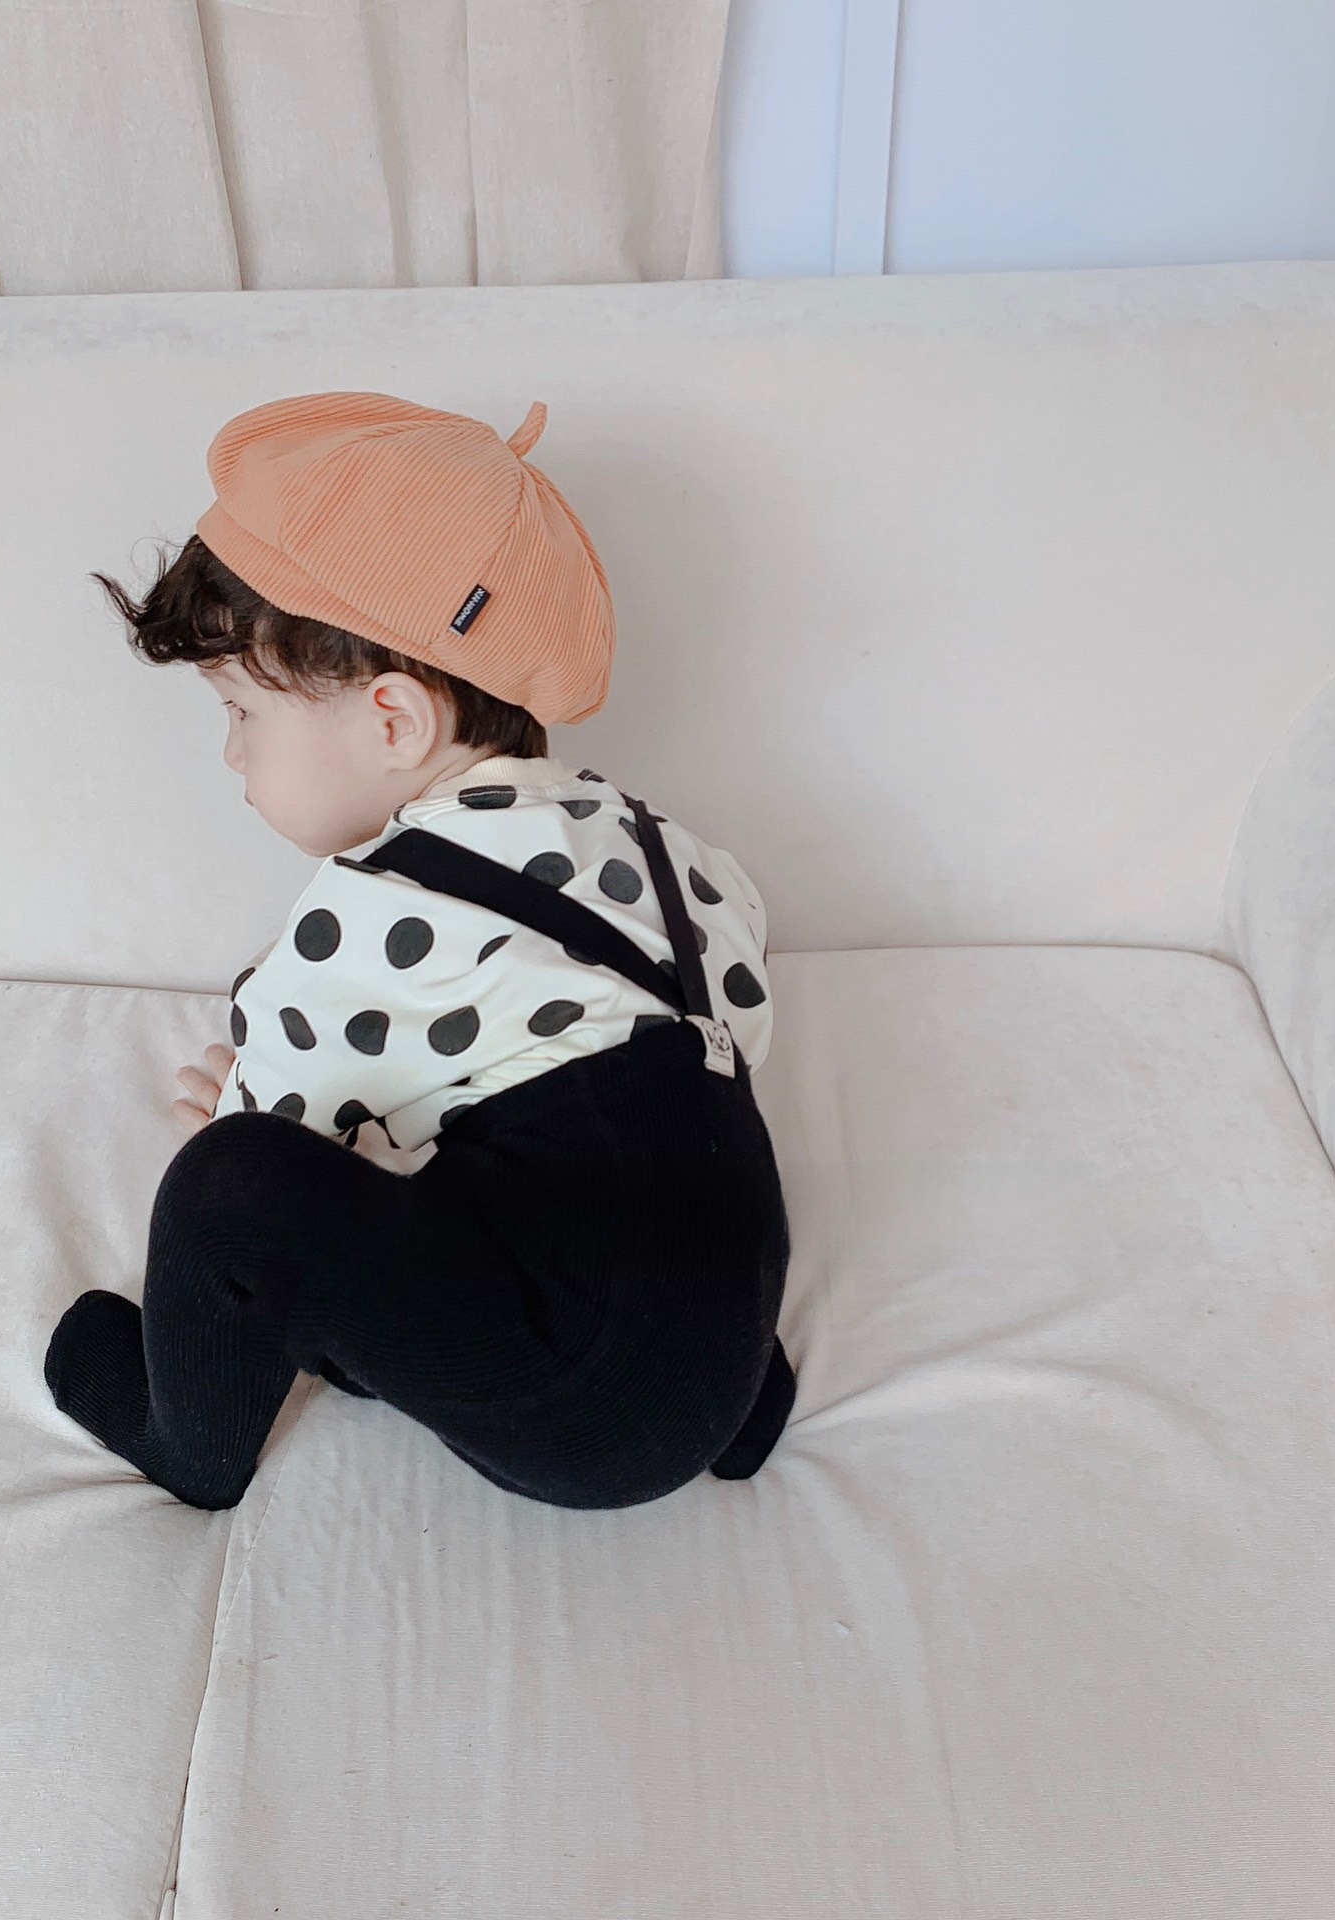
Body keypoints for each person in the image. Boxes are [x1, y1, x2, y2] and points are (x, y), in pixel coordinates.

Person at [42, 389, 796, 1512]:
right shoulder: (650, 841)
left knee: (230, 1183)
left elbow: (282, 1140)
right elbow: (730, 1012)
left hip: (574, 1415)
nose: (232, 755)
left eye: (242, 713)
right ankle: (737, 1415)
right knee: (629, 1150)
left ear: (395, 721)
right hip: (723, 1351)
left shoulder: (377, 908)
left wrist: (244, 1114)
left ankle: (185, 1444)